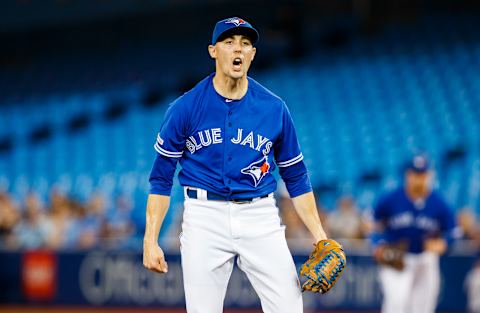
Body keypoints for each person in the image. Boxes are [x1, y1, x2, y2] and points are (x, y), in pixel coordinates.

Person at [142, 17, 332, 313]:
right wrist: (150, 239)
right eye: (229, 42)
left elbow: (296, 177)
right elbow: (161, 179)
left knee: (290, 308)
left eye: (245, 43)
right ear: (213, 51)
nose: (238, 50)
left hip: (260, 216)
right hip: (204, 218)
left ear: (253, 54)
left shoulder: (274, 108)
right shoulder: (185, 108)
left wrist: (320, 236)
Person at [371, 155, 458, 313]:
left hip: (426, 258)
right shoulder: (390, 199)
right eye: (415, 174)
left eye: (423, 174)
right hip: (396, 255)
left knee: (423, 307)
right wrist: (377, 244)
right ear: (407, 175)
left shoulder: (439, 203)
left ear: (429, 175)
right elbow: (374, 225)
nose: (419, 179)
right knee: (397, 303)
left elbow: (454, 232)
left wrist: (444, 243)